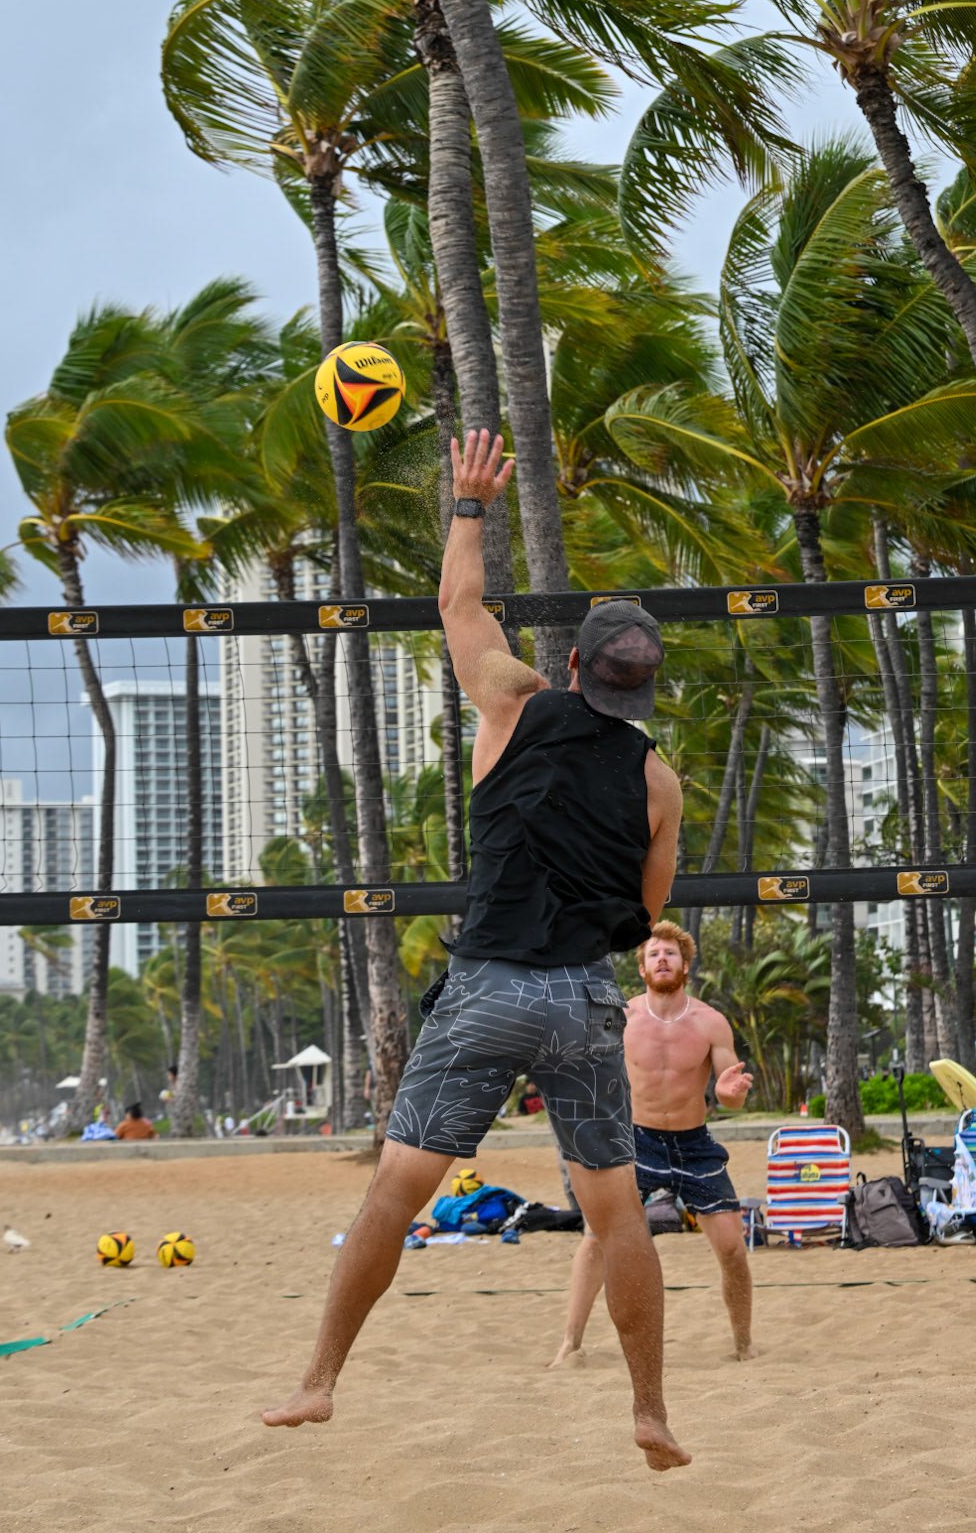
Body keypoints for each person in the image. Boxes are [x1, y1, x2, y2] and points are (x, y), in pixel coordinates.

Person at [264, 429, 689, 1470]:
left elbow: (460, 606)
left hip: (489, 987)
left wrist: (469, 503)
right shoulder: (657, 777)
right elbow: (649, 906)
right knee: (616, 1211)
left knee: (396, 1194)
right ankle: (651, 1410)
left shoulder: (513, 701)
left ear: (576, 664)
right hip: (584, 999)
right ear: (642, 690)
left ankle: (319, 1380)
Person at [551, 921, 755, 1367]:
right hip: (635, 1141)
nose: (663, 959)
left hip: (694, 1144)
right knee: (596, 1237)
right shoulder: (618, 1015)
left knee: (732, 1248)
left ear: (685, 965)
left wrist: (730, 1093)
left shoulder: (711, 1021)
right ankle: (570, 1343)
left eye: (671, 954)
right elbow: (588, 1072)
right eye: (654, 954)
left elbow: (726, 1091)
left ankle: (743, 1343)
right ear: (642, 968)